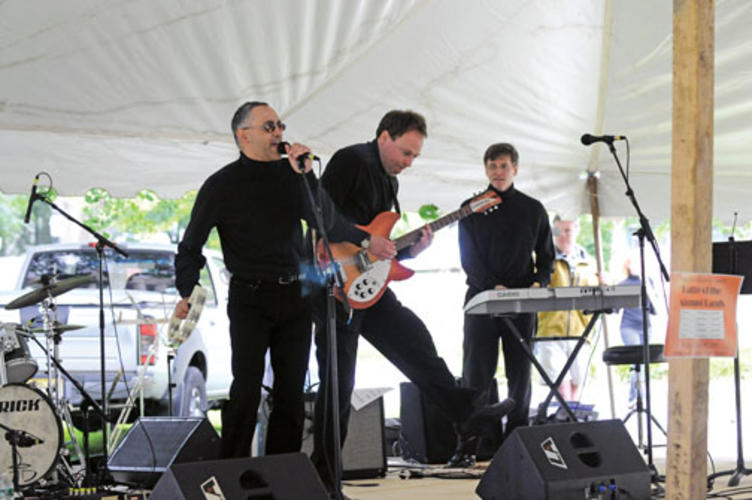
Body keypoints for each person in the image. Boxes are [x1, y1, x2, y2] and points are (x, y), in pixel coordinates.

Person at [310, 110, 514, 497]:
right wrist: (367, 242)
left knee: (415, 341)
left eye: (415, 157)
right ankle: (324, 483)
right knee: (339, 387)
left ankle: (464, 411)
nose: (408, 162)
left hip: (369, 285)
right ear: (384, 136)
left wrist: (411, 250)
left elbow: (381, 247)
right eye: (405, 153)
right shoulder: (351, 161)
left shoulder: (388, 182)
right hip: (334, 286)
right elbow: (322, 217)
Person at [173, 101, 392, 459]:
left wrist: (308, 176)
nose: (279, 133)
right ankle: (234, 472)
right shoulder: (221, 186)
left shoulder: (294, 178)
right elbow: (190, 246)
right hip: (249, 297)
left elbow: (329, 221)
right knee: (245, 389)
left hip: (294, 294)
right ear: (243, 135)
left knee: (291, 392)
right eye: (269, 126)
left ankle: (282, 475)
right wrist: (187, 289)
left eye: (280, 126)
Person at [456, 142, 555, 464]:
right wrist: (491, 286)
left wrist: (540, 282)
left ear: (515, 168)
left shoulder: (533, 208)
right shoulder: (471, 207)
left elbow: (547, 256)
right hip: (481, 300)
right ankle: (476, 444)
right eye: (493, 166)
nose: (498, 172)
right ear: (486, 169)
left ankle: (517, 441)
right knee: (477, 371)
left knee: (520, 373)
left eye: (504, 166)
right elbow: (468, 257)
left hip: (522, 302)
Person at [536, 216, 600, 402]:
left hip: (581, 332)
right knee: (559, 384)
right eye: (558, 231)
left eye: (568, 230)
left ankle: (570, 420)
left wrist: (604, 282)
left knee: (577, 385)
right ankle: (569, 417)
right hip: (549, 332)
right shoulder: (543, 260)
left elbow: (597, 293)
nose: (563, 236)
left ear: (577, 231)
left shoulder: (589, 263)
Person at [618, 256, 657, 404]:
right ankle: (639, 396)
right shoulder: (623, 285)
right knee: (637, 362)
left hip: (646, 326)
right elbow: (614, 308)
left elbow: (653, 309)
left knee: (642, 362)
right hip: (629, 327)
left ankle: (635, 394)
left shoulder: (648, 283)